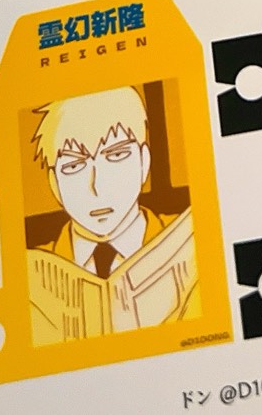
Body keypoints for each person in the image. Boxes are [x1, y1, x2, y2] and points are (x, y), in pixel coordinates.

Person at [25, 87, 198, 342]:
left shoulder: (192, 245)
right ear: (54, 183)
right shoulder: (30, 277)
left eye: (116, 155)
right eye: (74, 166)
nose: (97, 186)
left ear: (144, 162)